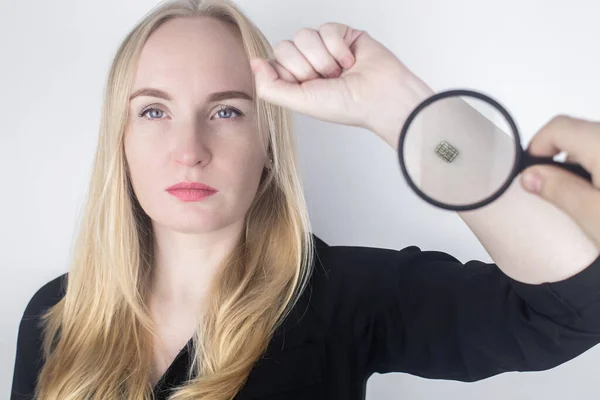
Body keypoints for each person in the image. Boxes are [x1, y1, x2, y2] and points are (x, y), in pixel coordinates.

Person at [10, 0, 600, 399]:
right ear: (121, 140)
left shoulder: (344, 295)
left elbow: (570, 308)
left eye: (227, 110)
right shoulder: (55, 315)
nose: (188, 149)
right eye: (154, 111)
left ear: (268, 142)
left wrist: (400, 108)